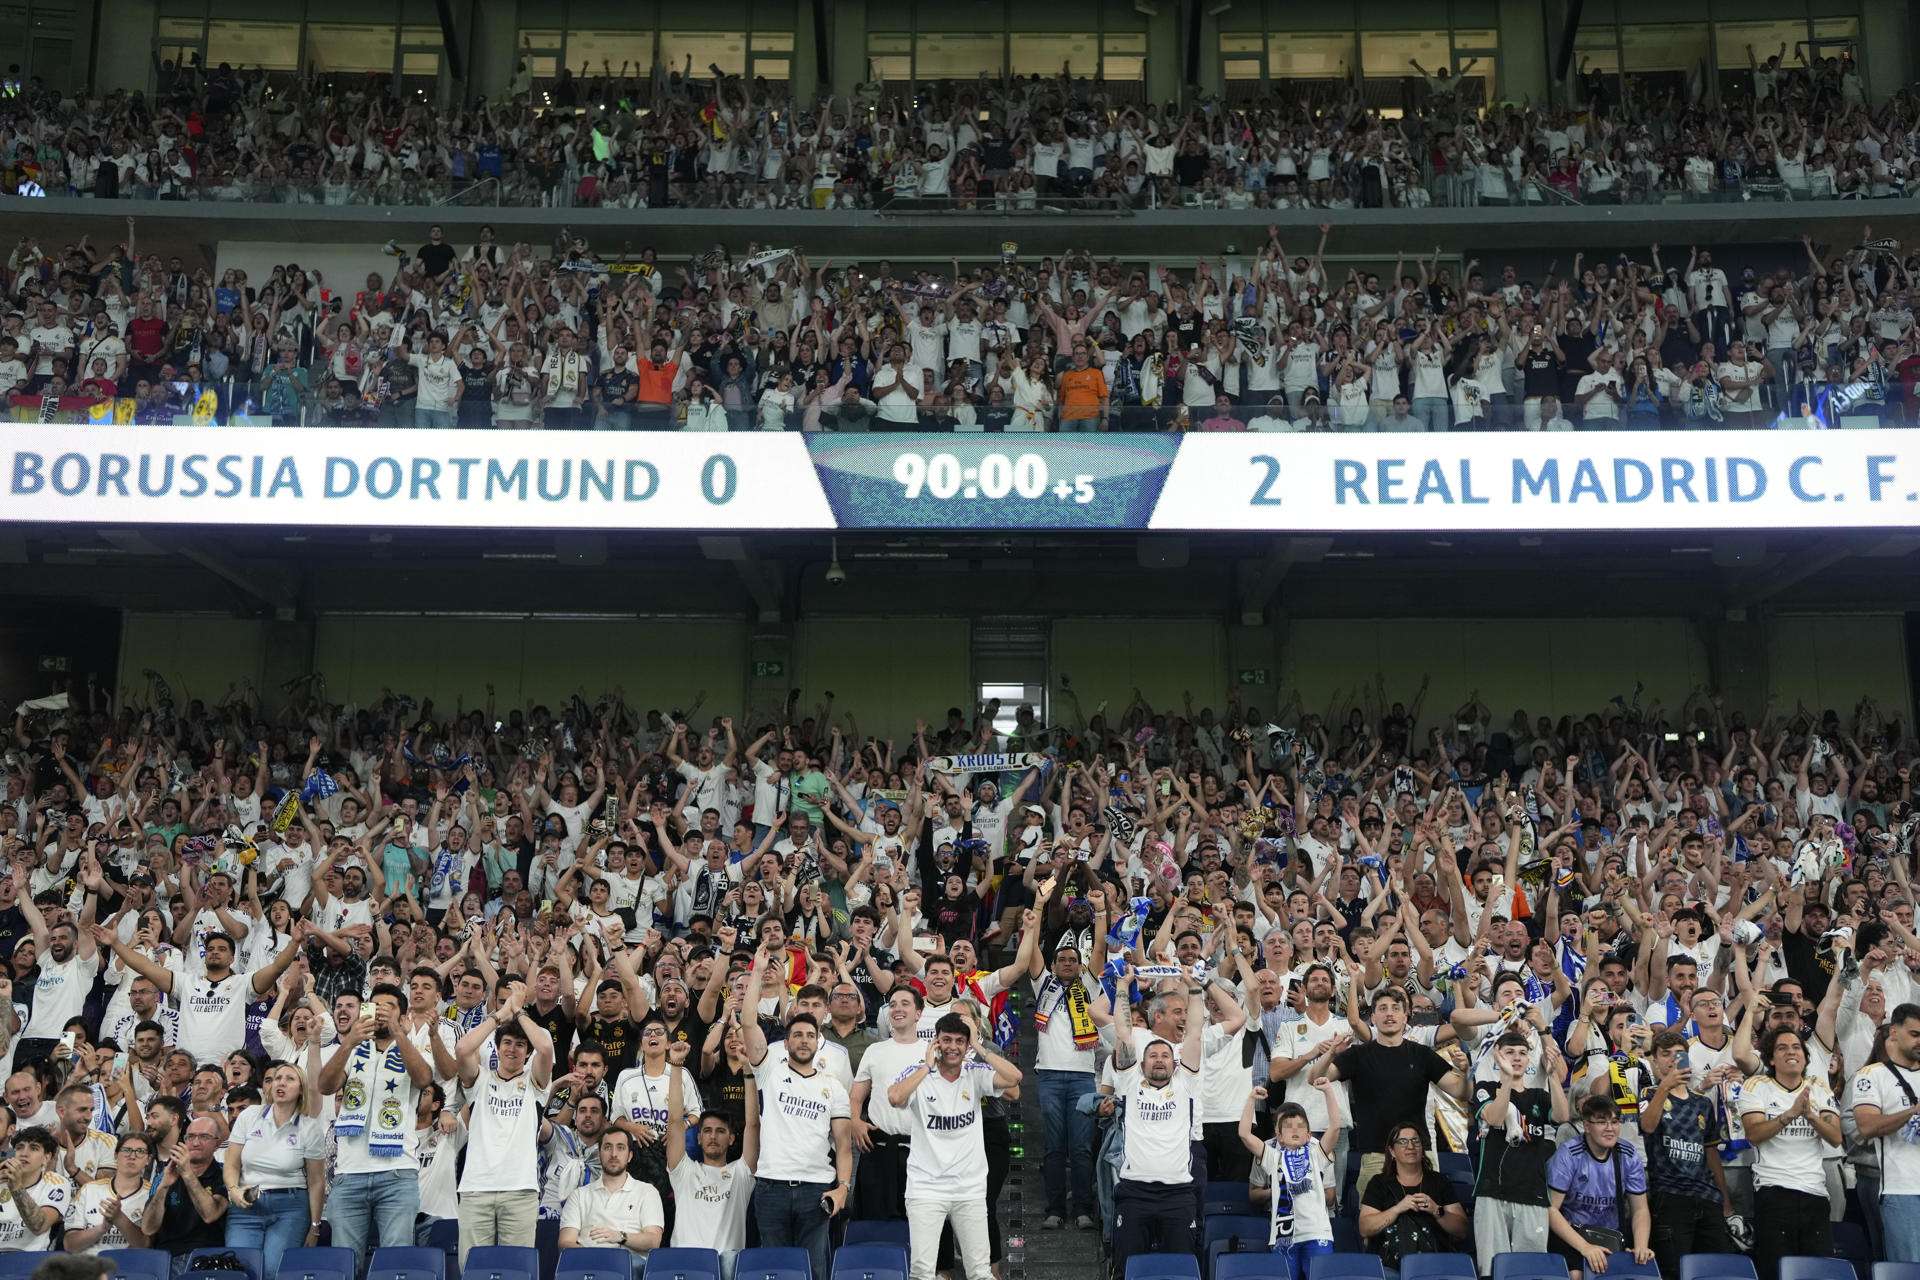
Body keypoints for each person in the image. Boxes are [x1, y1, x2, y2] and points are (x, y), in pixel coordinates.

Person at [741, 941, 852, 1280]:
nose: (803, 1040)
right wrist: (757, 973)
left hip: (815, 1189)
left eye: (810, 1035)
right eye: (797, 1035)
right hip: (771, 1185)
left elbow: (843, 1145)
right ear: (786, 1042)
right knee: (774, 1270)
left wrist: (842, 1187)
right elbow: (748, 1023)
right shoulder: (769, 1070)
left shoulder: (833, 1086)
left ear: (818, 1041)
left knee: (814, 1270)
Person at [886, 1005, 1021, 1280]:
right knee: (922, 1272)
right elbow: (895, 1098)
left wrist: (979, 1047)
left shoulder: (975, 1071)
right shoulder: (918, 1073)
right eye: (946, 1040)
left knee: (980, 1273)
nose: (953, 1047)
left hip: (969, 1188)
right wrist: (927, 1066)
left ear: (967, 1045)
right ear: (936, 1042)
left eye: (960, 1041)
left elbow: (1015, 1079)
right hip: (926, 1187)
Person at [318, 982, 436, 1274]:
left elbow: (424, 1079)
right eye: (376, 1005)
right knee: (346, 1265)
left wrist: (399, 1033)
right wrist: (348, 1042)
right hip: (349, 1173)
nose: (381, 1011)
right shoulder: (353, 1048)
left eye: (389, 1007)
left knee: (394, 1265)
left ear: (403, 1016)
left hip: (397, 1173)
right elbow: (325, 1085)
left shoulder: (412, 1048)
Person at [1314, 988, 1465, 1204]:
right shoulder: (1358, 1055)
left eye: (1395, 1008)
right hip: (1376, 1156)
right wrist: (1331, 1053)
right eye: (1382, 1009)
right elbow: (1316, 1078)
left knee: (1425, 1219)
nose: (1389, 1014)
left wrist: (1464, 1071)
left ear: (1406, 1016)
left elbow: (1460, 1091)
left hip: (1418, 1154)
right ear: (1373, 1017)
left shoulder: (1422, 1054)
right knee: (1373, 1222)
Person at [454, 980, 555, 1263]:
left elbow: (545, 1047)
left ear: (527, 1052)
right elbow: (462, 1049)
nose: (513, 1049)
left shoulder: (535, 1083)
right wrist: (501, 1014)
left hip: (520, 1189)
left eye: (520, 1045)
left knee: (517, 1268)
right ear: (497, 1048)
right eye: (507, 1043)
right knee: (473, 1267)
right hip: (476, 1188)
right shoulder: (480, 1080)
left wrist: (519, 1011)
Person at [1108, 983, 1204, 1272]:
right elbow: (1123, 1032)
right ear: (1141, 1064)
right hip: (1135, 1193)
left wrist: (1195, 990)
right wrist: (1122, 987)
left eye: (1165, 1056)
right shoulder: (1129, 1082)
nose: (1159, 1059)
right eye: (1152, 1056)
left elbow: (1194, 1033)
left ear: (1175, 1064)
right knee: (1127, 1268)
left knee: (1182, 1270)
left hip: (1179, 1194)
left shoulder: (1186, 1083)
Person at [1741, 1025, 1842, 1280]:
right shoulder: (1756, 1085)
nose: (1791, 1052)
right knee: (1776, 1272)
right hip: (1773, 1192)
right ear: (1771, 1059)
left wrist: (1810, 1116)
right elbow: (1753, 1134)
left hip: (1815, 1193)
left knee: (1816, 1274)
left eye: (1796, 1047)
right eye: (1782, 1048)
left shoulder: (1818, 1086)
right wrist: (1790, 1114)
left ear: (1805, 1058)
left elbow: (1835, 1138)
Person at [1639, 1029, 1735, 1276]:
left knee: (1715, 1272)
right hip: (1670, 1196)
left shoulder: (1702, 1102)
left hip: (1707, 1196)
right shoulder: (1648, 1094)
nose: (1673, 1059)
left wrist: (1725, 1201)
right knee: (1675, 1271)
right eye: (1666, 1054)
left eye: (1679, 1054)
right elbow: (1647, 1126)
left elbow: (1711, 1154)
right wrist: (1664, 1087)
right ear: (1655, 1060)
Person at [1473, 1030, 1570, 1271]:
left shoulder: (1538, 1095)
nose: (1516, 1058)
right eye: (1509, 1052)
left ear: (1529, 1060)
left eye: (1522, 1053)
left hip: (1532, 1193)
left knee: (1530, 1270)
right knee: (1493, 1270)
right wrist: (1506, 1080)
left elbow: (1562, 1116)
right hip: (1492, 1192)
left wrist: (1552, 1076)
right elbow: (1495, 1118)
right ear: (1497, 1057)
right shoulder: (1485, 1088)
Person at [222, 1061, 326, 1274]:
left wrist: (315, 1227)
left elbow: (316, 1182)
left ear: (301, 1090)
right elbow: (231, 1163)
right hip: (246, 1205)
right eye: (277, 1078)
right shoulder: (250, 1115)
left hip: (290, 1208)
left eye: (290, 1079)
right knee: (241, 1271)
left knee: (272, 1272)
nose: (281, 1083)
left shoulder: (309, 1127)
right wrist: (233, 1189)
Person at [1236, 1085, 1341, 1280]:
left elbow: (1335, 1127)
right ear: (1279, 1136)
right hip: (1283, 1236)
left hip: (1317, 1233)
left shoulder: (1316, 1154)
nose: (1295, 1129)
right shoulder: (1272, 1157)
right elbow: (1244, 1134)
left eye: (1300, 1126)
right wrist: (1251, 1099)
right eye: (1288, 1126)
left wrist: (1328, 1091)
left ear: (1309, 1135)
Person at [665, 1037, 757, 1260]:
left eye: (720, 1131)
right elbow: (675, 1122)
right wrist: (676, 1066)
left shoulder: (741, 1174)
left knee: (729, 1263)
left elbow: (753, 1124)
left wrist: (748, 1070)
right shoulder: (684, 1171)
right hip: (686, 1265)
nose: (713, 1136)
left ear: (732, 1139)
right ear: (698, 1138)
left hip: (727, 1266)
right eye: (707, 1131)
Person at [1546, 1095, 1655, 1280]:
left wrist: (1641, 1246)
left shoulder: (1628, 1154)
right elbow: (1550, 1210)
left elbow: (1640, 1209)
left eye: (1615, 1121)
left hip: (1611, 1237)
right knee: (1576, 1275)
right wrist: (1585, 1247)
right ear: (1587, 1126)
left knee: (1637, 1269)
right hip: (1572, 1236)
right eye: (1602, 1122)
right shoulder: (1569, 1154)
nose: (1610, 1128)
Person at [1850, 1001, 1920, 1262]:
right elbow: (1867, 1126)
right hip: (1902, 1189)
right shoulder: (1871, 1075)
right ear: (1894, 1032)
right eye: (1914, 1034)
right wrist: (1912, 1112)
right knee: (1908, 1270)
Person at [1356, 1120, 1468, 1267]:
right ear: (1392, 1151)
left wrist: (1436, 1210)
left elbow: (1461, 1230)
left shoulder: (1439, 1181)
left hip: (1435, 1261)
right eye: (1403, 1142)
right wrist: (1397, 1209)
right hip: (1390, 1264)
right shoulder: (1379, 1183)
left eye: (1415, 1141)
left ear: (1422, 1149)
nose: (1410, 1146)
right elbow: (1365, 1228)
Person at [557, 1127, 664, 1260]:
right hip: (588, 1264)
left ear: (630, 1156)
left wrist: (620, 1236)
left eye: (620, 1148)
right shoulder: (579, 1195)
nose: (614, 1154)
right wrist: (596, 1259)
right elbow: (565, 1242)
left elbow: (653, 1241)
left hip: (630, 1264)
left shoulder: (647, 1192)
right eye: (608, 1147)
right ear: (599, 1154)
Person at [141, 1115, 228, 1261]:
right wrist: (163, 1187)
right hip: (166, 1258)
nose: (195, 1142)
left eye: (204, 1137)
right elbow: (148, 1229)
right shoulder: (164, 1175)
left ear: (217, 1143)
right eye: (190, 1137)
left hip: (206, 1258)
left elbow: (210, 1215)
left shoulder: (224, 1174)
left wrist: (187, 1174)